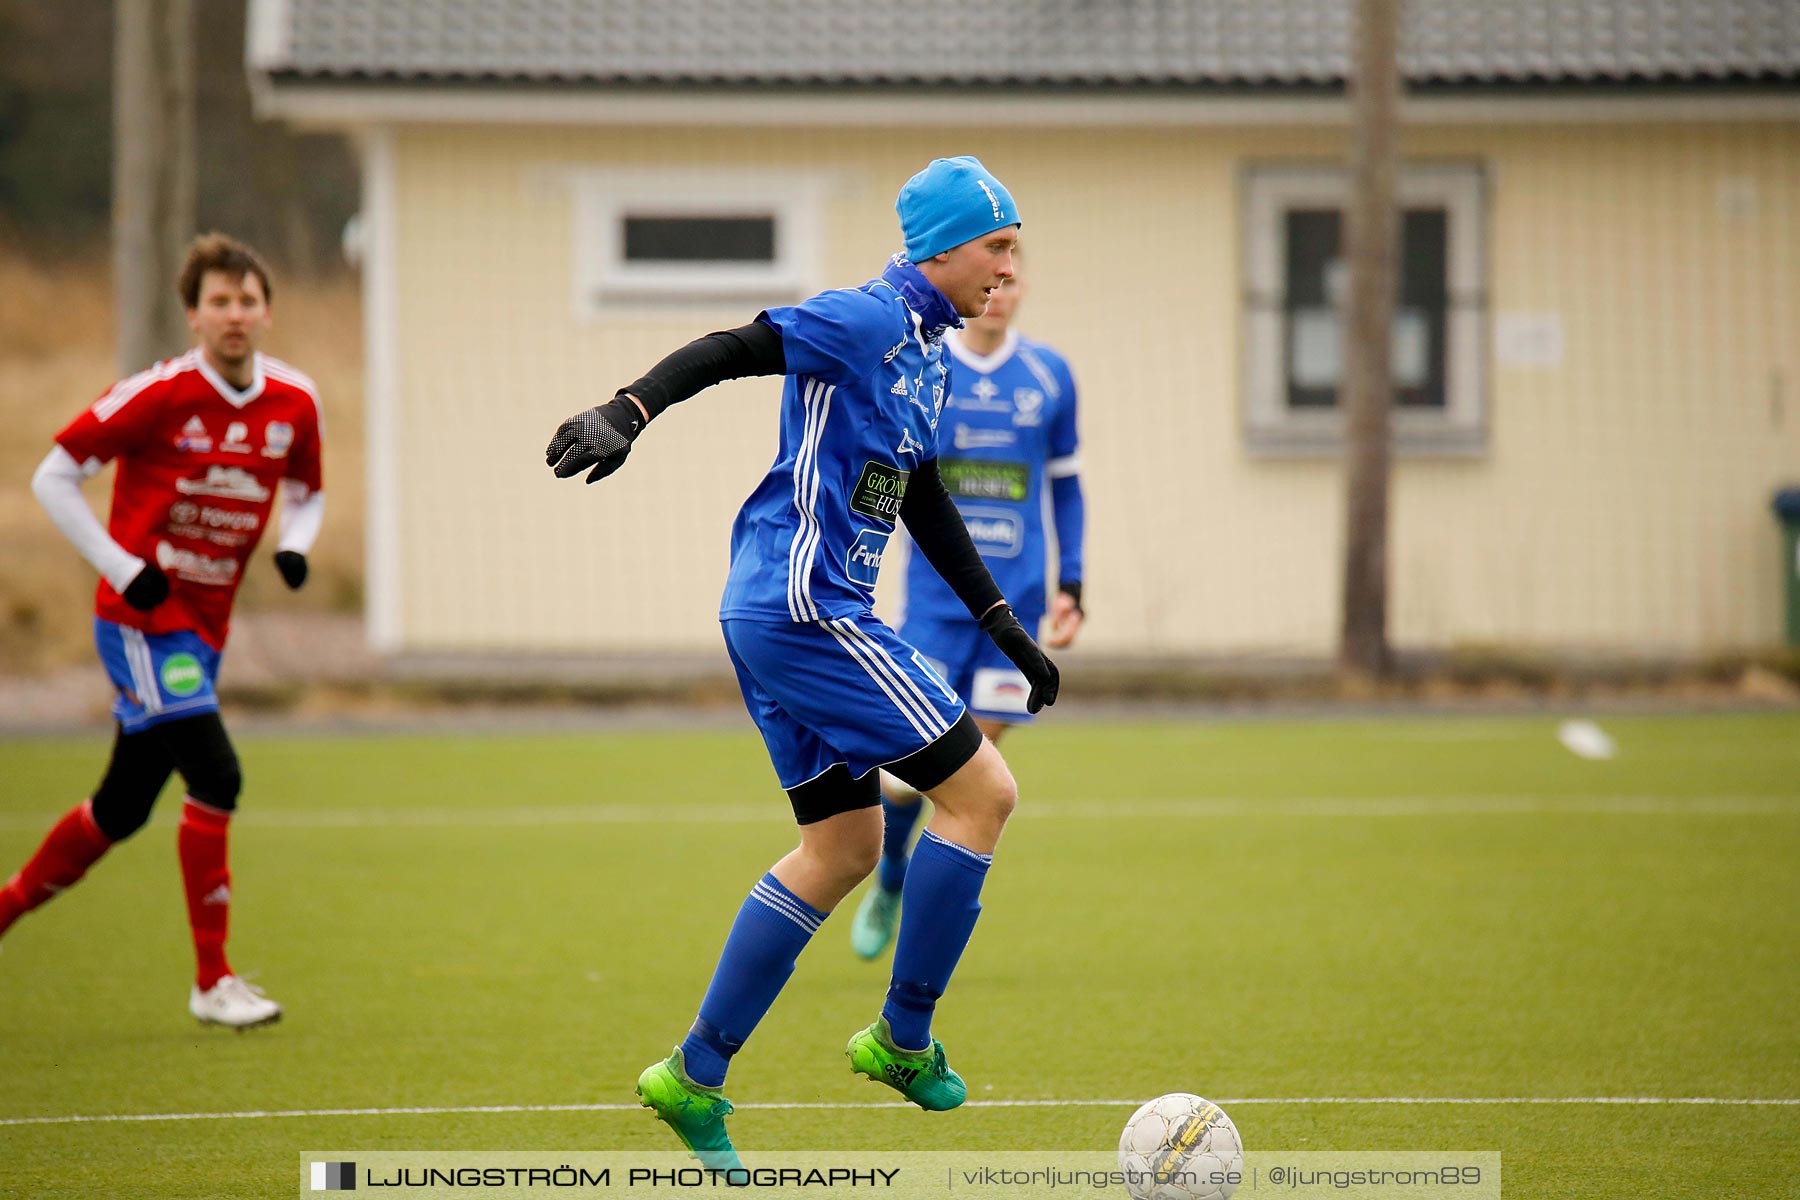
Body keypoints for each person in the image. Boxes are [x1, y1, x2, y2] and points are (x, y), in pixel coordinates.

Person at [546, 157, 1058, 1171]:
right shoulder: (868, 317)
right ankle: (903, 1041)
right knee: (983, 794)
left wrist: (1000, 622)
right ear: (944, 247)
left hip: (783, 610)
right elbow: (742, 346)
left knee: (843, 849)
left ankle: (691, 1076)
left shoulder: (928, 353)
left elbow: (919, 493)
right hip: (804, 607)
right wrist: (629, 410)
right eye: (998, 245)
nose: (1008, 265)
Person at [1, 233, 324, 1029]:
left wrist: (292, 546)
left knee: (122, 806)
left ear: (267, 311)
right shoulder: (158, 393)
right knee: (217, 775)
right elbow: (54, 474)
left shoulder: (294, 402)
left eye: (247, 300)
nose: (235, 315)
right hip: (144, 623)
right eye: (219, 301)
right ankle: (212, 981)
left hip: (203, 630)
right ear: (192, 314)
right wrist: (119, 566)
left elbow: (309, 492)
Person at [849, 251, 1084, 959]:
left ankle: (920, 915)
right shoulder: (928, 365)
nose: (1001, 291)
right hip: (933, 604)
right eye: (995, 278)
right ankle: (890, 877)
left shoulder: (1048, 377)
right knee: (906, 771)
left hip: (1015, 610)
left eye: (1014, 280)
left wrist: (1073, 585)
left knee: (977, 769)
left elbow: (1066, 487)